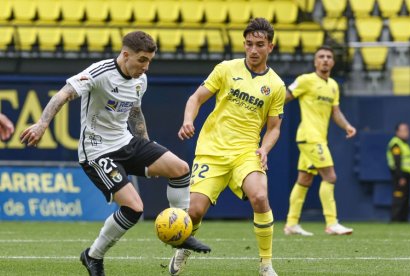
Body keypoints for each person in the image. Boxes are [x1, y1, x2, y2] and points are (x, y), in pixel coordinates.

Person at [20, 31, 210, 276]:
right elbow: (64, 93)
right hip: (97, 151)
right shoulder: (100, 73)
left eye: (150, 61)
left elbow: (135, 114)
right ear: (125, 54)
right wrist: (41, 124)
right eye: (142, 60)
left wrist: (147, 150)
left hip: (126, 143)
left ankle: (180, 233)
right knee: (134, 208)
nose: (146, 67)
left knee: (181, 169)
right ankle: (92, 256)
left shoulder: (141, 80)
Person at [169, 18, 285, 276]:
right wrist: (188, 120)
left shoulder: (276, 85)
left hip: (246, 152)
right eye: (249, 44)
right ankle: (184, 247)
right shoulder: (226, 68)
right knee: (195, 211)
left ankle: (266, 264)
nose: (253, 50)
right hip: (212, 150)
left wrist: (264, 149)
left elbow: (274, 127)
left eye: (259, 45)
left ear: (270, 47)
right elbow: (196, 98)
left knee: (260, 197)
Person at [284, 45, 357, 236]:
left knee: (304, 179)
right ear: (315, 61)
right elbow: (284, 96)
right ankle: (332, 222)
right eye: (321, 56)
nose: (325, 59)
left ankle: (291, 224)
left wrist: (347, 126)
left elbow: (336, 111)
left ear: (332, 62)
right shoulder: (306, 80)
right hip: (310, 137)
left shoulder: (333, 85)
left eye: (328, 57)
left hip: (317, 139)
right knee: (330, 176)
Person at [386, 122, 410, 222]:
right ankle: (395, 220)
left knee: (406, 199)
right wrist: (400, 177)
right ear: (397, 132)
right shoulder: (396, 144)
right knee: (399, 198)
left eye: (407, 130)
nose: (406, 132)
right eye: (403, 130)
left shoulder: (405, 144)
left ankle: (403, 220)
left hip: (407, 175)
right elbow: (397, 161)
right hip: (399, 175)